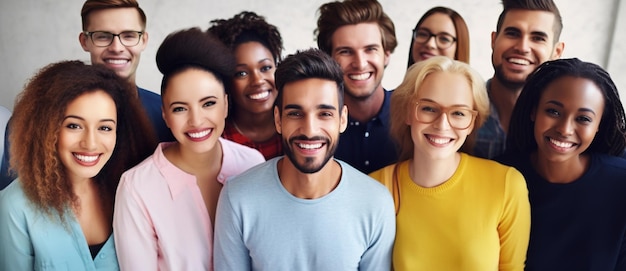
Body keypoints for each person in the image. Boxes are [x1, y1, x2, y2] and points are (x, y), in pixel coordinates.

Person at [213, 48, 395, 270]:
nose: (309, 130)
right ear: (278, 120)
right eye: (295, 113)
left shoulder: (375, 203)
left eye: (325, 114)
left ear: (342, 120)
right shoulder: (237, 197)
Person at [113, 27, 265, 271]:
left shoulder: (252, 164)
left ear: (225, 104)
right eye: (180, 108)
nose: (196, 121)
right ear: (164, 113)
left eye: (208, 103)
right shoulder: (136, 187)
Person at [369, 56, 530, 270]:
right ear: (408, 112)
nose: (442, 125)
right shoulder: (376, 188)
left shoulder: (506, 185)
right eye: (428, 108)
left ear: (473, 122)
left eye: (458, 113)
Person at [0, 60, 157, 270]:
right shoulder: (15, 205)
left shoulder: (131, 190)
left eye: (105, 128)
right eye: (74, 125)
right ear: (47, 128)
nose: (90, 143)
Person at [497, 58, 626, 270]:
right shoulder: (500, 179)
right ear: (533, 111)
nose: (565, 129)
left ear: (599, 125)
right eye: (553, 112)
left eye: (583, 118)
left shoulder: (620, 186)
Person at [474, 0, 565, 159]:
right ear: (494, 40)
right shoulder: (461, 108)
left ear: (556, 52)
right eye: (513, 33)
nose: (522, 47)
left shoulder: (563, 126)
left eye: (537, 38)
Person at [315, 0, 398, 174]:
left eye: (370, 49)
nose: (360, 64)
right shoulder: (316, 126)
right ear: (328, 59)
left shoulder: (413, 118)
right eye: (345, 51)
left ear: (387, 54)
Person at [79, 0, 174, 143]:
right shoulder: (60, 112)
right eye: (103, 36)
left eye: (128, 36)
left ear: (143, 40)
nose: (117, 48)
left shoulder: (166, 113)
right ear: (84, 41)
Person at [208, 11, 284, 160]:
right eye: (241, 73)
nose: (257, 80)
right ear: (225, 80)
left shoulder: (296, 124)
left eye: (265, 68)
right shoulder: (215, 138)